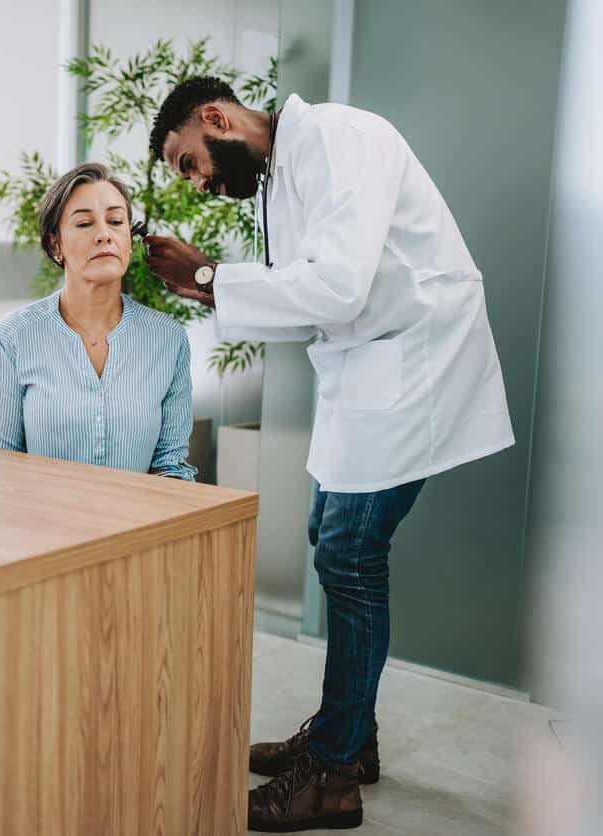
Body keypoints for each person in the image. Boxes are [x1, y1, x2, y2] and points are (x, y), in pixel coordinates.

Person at [145, 77, 515, 832]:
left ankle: (335, 772)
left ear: (216, 119)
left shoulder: (342, 138)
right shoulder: (280, 178)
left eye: (190, 162)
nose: (200, 183)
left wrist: (212, 277)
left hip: (418, 362)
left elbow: (338, 288)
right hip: (366, 374)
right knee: (331, 536)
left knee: (349, 553)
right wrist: (208, 292)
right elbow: (299, 303)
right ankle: (352, 733)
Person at [0, 162, 196, 481]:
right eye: (84, 224)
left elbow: (171, 465)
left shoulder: (168, 338)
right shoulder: (13, 337)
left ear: (129, 239)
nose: (104, 235)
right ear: (56, 244)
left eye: (116, 221)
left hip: (137, 524)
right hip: (43, 525)